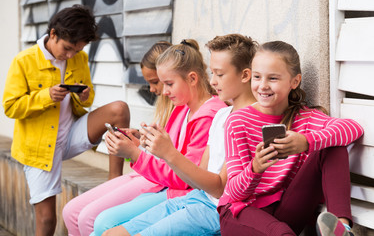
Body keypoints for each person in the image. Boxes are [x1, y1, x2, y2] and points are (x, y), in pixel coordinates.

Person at [101, 34, 258, 236]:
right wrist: (155, 145)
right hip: (198, 198)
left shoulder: (247, 121)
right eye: (212, 73)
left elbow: (219, 189)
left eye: (219, 74)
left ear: (245, 75)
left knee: (108, 225)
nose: (212, 81)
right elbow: (199, 178)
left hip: (216, 210)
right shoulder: (222, 114)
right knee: (110, 233)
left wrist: (168, 153)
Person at [1, 5, 131, 236]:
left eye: (77, 50)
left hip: (70, 134)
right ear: (53, 34)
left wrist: (84, 95)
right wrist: (45, 96)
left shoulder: (78, 58)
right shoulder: (24, 61)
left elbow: (87, 99)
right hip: (40, 148)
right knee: (47, 219)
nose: (71, 55)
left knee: (119, 109)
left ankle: (114, 182)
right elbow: (10, 107)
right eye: (67, 48)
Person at [218, 41, 364, 236]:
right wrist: (255, 168)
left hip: (284, 209)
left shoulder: (306, 118)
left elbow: (354, 129)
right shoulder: (237, 122)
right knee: (282, 233)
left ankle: (342, 229)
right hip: (242, 212)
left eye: (273, 78)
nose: (263, 85)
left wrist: (305, 142)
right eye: (257, 77)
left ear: (294, 82)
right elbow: (235, 193)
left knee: (333, 145)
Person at [62, 41, 175, 236]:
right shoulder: (168, 107)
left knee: (90, 218)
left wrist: (135, 151)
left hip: (158, 180)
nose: (153, 89)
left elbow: (173, 159)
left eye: (155, 82)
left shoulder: (187, 108)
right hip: (146, 173)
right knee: (70, 211)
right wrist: (140, 139)